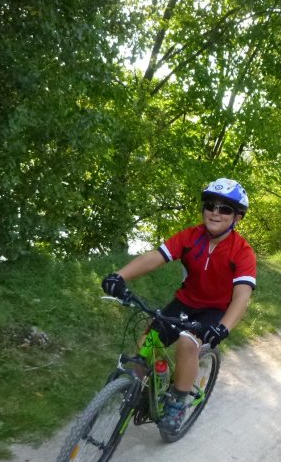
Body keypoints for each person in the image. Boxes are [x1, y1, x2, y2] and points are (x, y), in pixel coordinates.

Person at [101, 178, 256, 432]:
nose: (215, 212)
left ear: (237, 217)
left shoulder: (242, 251)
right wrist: (120, 276)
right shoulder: (190, 237)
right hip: (185, 302)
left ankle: (178, 402)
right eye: (210, 205)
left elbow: (241, 296)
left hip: (215, 311)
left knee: (187, 343)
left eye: (225, 208)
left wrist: (223, 328)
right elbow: (155, 257)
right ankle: (134, 389)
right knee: (147, 344)